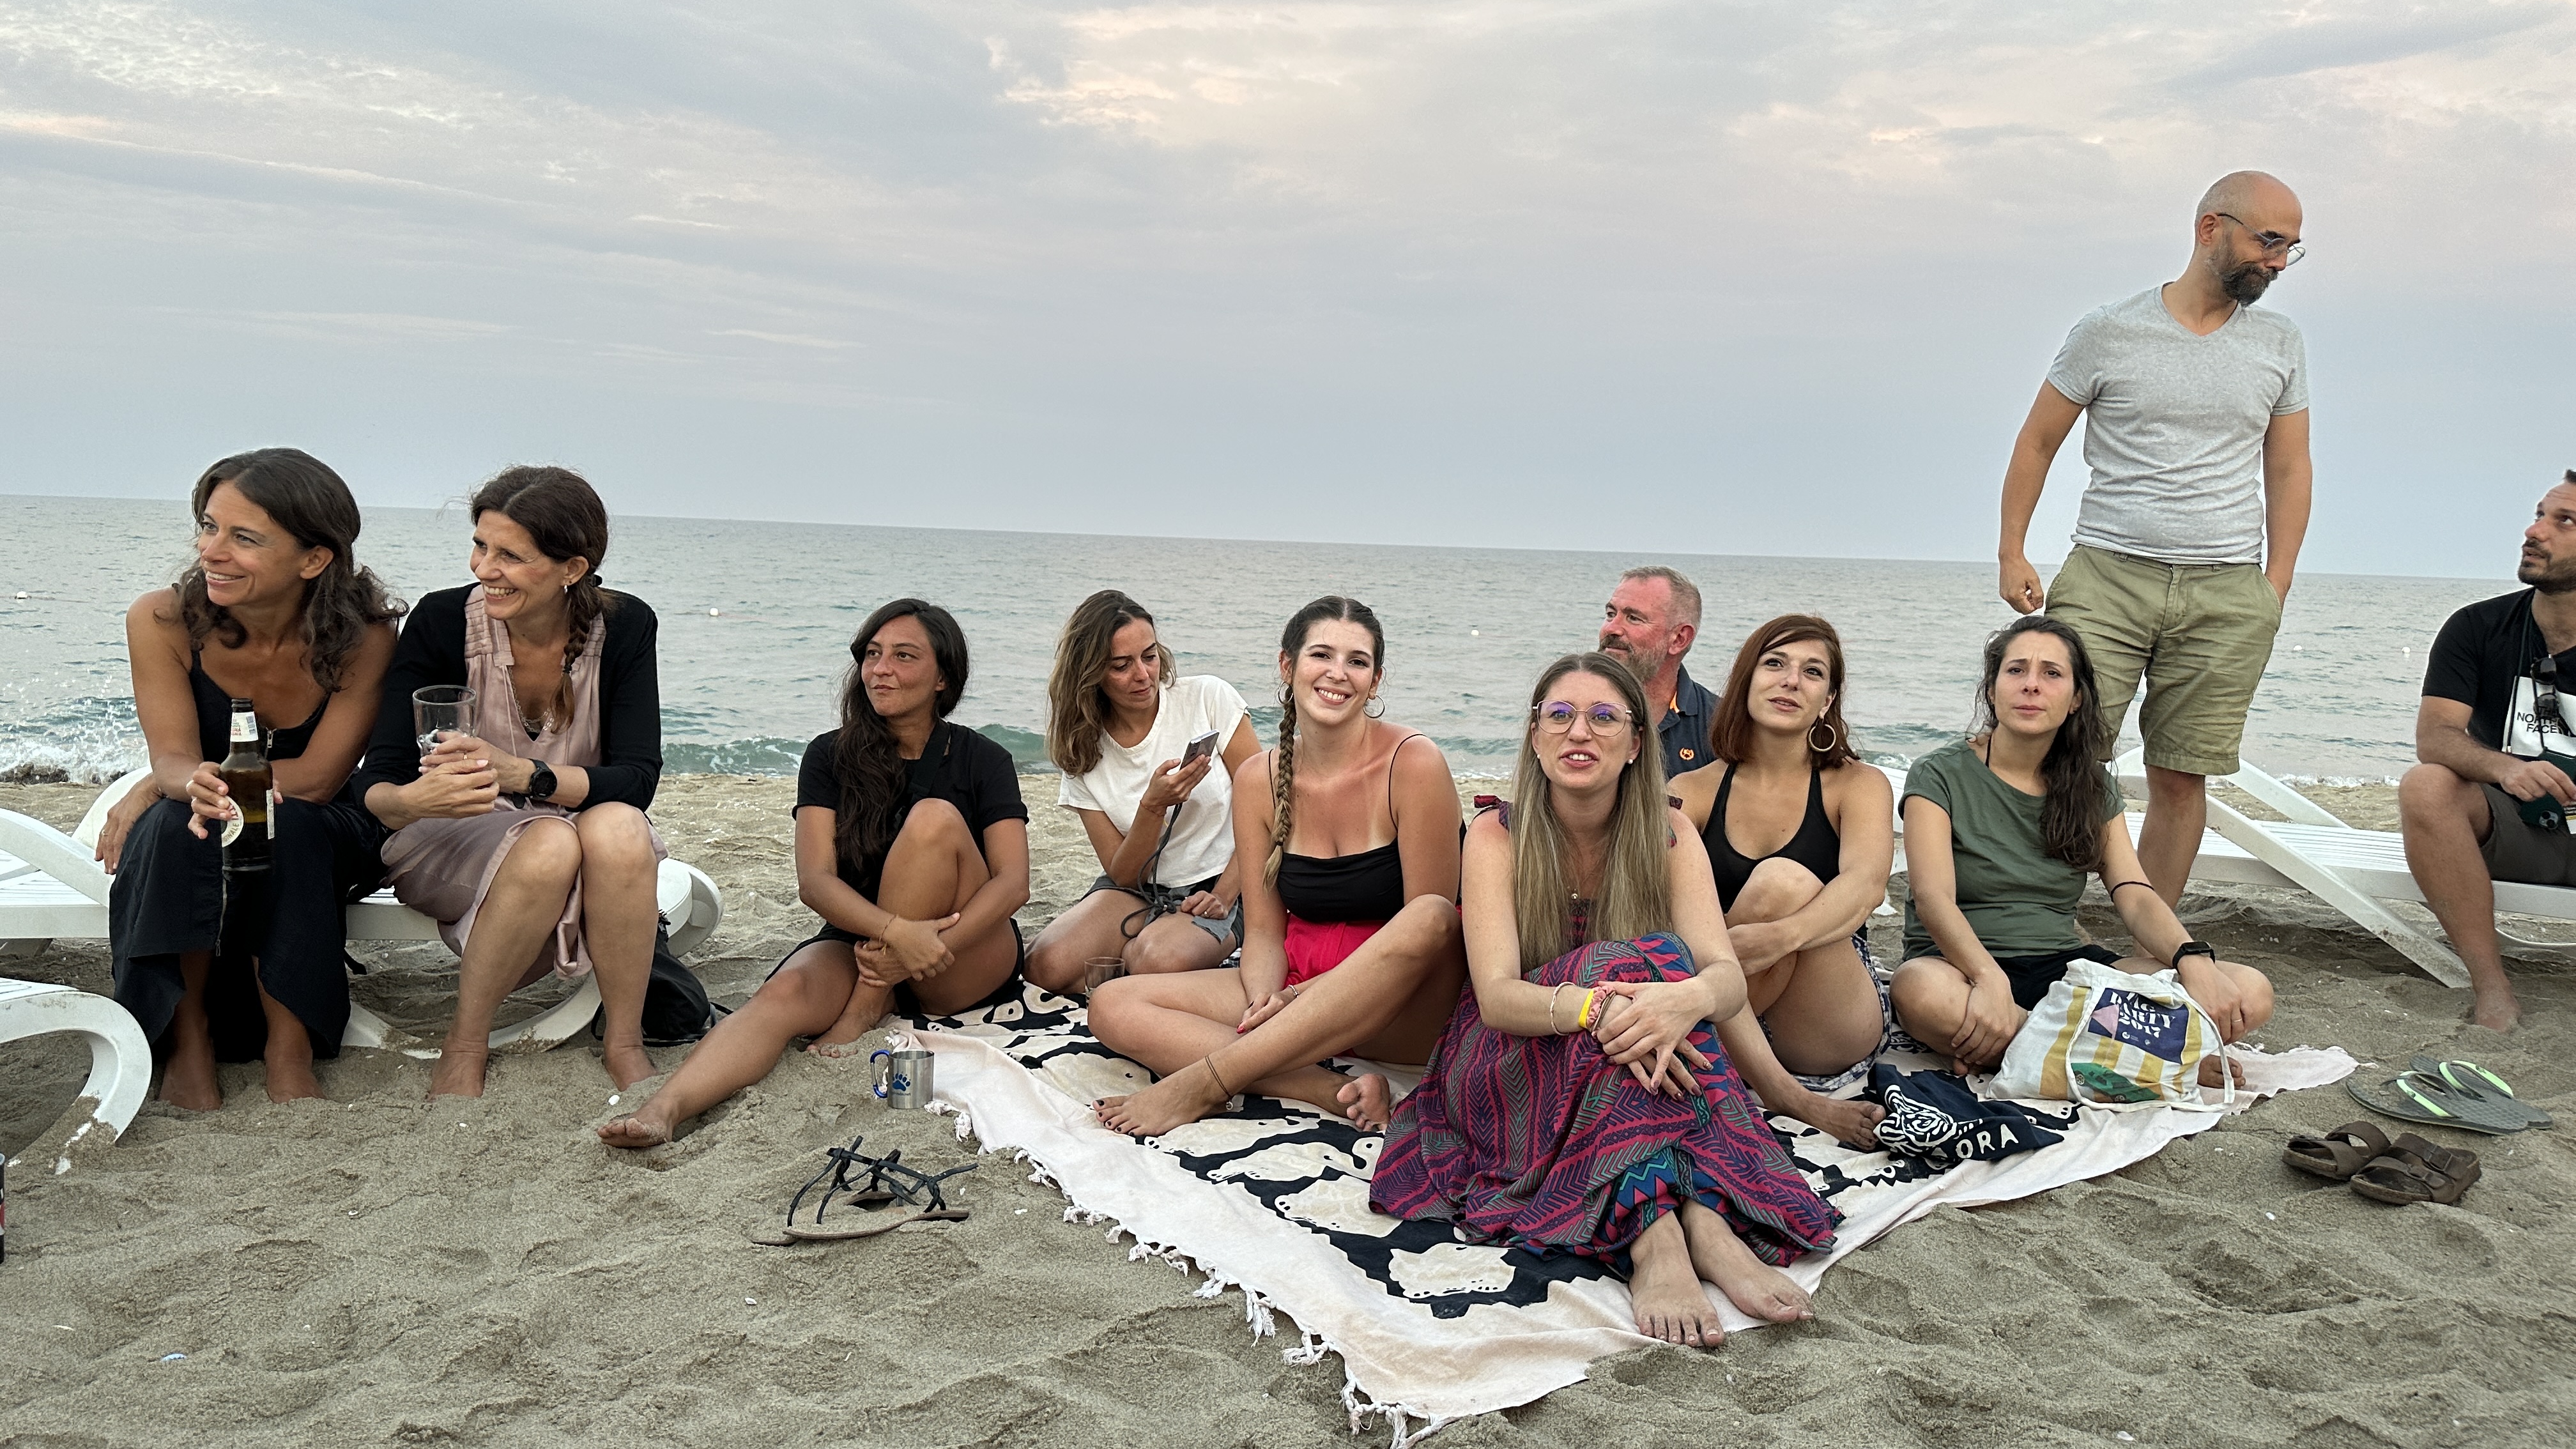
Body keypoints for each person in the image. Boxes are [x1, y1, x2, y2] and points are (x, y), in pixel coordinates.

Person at [1370, 652, 1838, 1349]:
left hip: (1636, 1052)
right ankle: (1661, 1238)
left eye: (1603, 717)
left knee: (1666, 972)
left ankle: (1696, 1222)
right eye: (1559, 715)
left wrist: (1681, 1002)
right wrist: (1598, 1009)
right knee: (1632, 967)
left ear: (1636, 743)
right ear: (1535, 736)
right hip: (1513, 1061)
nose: (1578, 732)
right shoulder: (1499, 835)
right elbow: (1497, 998)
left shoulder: (1669, 833)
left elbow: (1726, 978)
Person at [600, 599, 1029, 1147]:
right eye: (872, 655)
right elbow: (816, 882)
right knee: (785, 991)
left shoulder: (984, 758)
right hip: (866, 941)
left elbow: (1012, 883)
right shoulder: (830, 755)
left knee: (934, 819)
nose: (880, 670)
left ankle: (869, 1003)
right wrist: (897, 936)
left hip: (961, 952)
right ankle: (665, 1109)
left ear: (943, 677)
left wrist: (927, 946)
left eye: (903, 656)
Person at [1995, 171, 2313, 908]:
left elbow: (2290, 465)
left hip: (2227, 591)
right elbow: (2038, 440)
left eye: (2291, 249)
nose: (2277, 262)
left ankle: (2149, 942)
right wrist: (2013, 549)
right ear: (2210, 229)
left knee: (2180, 774)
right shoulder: (2108, 330)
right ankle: (2032, 923)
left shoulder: (2281, 342)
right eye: (2269, 241)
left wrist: (2275, 585)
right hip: (2107, 577)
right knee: (2057, 754)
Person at [1087, 595, 1466, 1137]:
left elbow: (1429, 934)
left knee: (1431, 913)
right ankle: (1327, 1089)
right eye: (1321, 655)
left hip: (1402, 1003)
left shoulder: (1414, 762)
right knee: (1111, 1004)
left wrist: (1297, 1002)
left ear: (1375, 681)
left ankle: (1207, 1081)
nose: (1338, 673)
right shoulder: (1258, 779)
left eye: (1357, 662)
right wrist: (1265, 1000)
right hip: (1298, 979)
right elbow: (1265, 931)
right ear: (1287, 666)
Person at [104, 449, 403, 1109]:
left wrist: (178, 786)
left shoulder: (366, 637)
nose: (211, 551)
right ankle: (188, 1042)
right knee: (178, 822)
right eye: (209, 527)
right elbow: (174, 757)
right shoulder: (162, 620)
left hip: (319, 827)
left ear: (313, 559)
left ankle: (289, 1048)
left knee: (283, 817)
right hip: (200, 821)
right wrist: (178, 783)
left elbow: (320, 777)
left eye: (244, 538)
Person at [355, 466, 666, 1098]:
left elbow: (636, 780)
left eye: (510, 556)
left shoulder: (626, 626)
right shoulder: (444, 620)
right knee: (551, 843)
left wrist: (525, 773)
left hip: (574, 822)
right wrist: (412, 799)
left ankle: (624, 1041)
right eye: (480, 545)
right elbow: (379, 781)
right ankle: (466, 1042)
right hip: (452, 830)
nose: (484, 568)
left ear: (572, 568)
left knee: (621, 828)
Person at [1888, 617, 2276, 1079]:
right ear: (1991, 690)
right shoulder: (1938, 774)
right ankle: (2142, 1061)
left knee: (2249, 991)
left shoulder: (2091, 786)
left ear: (2076, 699)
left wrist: (2192, 958)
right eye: (2016, 670)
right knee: (1918, 991)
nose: (2031, 685)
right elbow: (1932, 898)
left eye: (2052, 673)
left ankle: (2028, 1050)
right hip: (1961, 968)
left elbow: (2134, 894)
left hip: (2065, 970)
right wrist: (1990, 980)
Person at [1669, 615, 1894, 1146]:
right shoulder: (1691, 790)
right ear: (1747, 679)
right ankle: (1774, 1089)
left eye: (1812, 672)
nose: (1791, 681)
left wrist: (1779, 937)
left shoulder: (1857, 784)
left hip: (1824, 1019)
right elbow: (1662, 905)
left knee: (1783, 883)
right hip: (1731, 1004)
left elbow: (1866, 887)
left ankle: (1781, 1090)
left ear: (1827, 699)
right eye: (1775, 664)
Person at [2396, 472, 2576, 1032]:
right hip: (2520, 832)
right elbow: (2435, 737)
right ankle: (2492, 989)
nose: (2534, 531)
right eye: (2539, 515)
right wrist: (2506, 769)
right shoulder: (2478, 627)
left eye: (2564, 522)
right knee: (2427, 785)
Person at [1024, 590, 1261, 994]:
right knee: (1043, 966)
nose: (1143, 675)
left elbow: (1269, 805)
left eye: (1149, 657)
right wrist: (1153, 807)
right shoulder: (1083, 750)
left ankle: (1147, 966)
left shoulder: (1208, 698)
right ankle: (1142, 970)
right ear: (1090, 674)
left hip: (1224, 883)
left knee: (1153, 961)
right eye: (1121, 666)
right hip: (1137, 891)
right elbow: (1123, 875)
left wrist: (1225, 894)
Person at [1599, 565, 1716, 778]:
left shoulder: (1718, 725)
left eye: (1633, 618)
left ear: (1679, 639)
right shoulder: (1566, 708)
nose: (1610, 628)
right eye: (1610, 614)